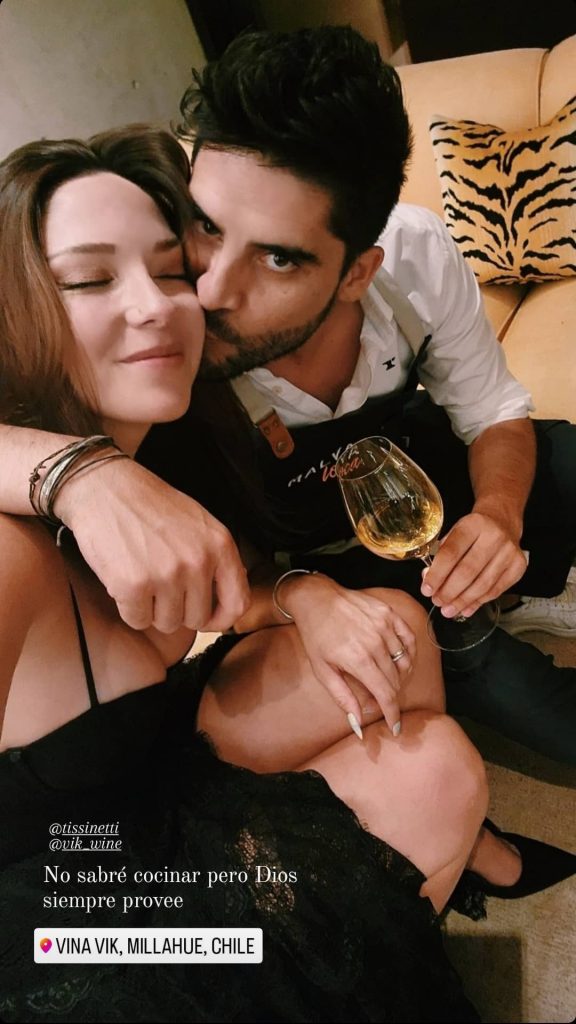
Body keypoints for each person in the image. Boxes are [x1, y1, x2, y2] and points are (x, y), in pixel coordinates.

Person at [1, 121, 545, 1024]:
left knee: (393, 634)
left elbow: (217, 589)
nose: (161, 306)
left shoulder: (168, 441)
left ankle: (455, 855)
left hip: (146, 773)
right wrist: (74, 473)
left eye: (172, 271)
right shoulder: (16, 546)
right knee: (434, 788)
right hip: (72, 915)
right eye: (91, 279)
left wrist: (302, 592)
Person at [165, 24, 574, 765]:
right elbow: (214, 580)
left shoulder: (416, 255)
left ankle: (524, 585)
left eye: (279, 258)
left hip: (418, 476)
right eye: (206, 226)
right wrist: (303, 597)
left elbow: (493, 412)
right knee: (533, 707)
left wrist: (497, 517)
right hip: (327, 566)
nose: (210, 290)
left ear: (358, 272)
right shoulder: (154, 339)